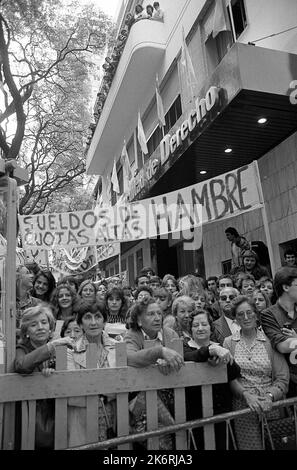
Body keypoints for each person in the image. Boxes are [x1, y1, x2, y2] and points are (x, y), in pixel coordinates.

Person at [223, 296, 289, 450]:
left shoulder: (269, 341)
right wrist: (247, 395)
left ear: (256, 314)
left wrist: (269, 396)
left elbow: (282, 377)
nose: (246, 318)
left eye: (249, 313)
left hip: (270, 406)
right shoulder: (229, 342)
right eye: (240, 314)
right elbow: (231, 378)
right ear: (235, 318)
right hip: (243, 408)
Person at [124, 299, 183, 449]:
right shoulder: (132, 335)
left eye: (159, 313)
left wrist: (169, 361)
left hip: (173, 396)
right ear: (138, 319)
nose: (157, 318)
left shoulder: (170, 333)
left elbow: (181, 357)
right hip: (142, 401)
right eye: (150, 314)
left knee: (175, 439)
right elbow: (129, 357)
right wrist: (160, 352)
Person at [14, 305, 74, 449]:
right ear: (26, 332)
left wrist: (54, 373)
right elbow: (21, 365)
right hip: (31, 414)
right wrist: (50, 347)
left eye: (44, 322)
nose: (40, 327)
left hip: (60, 409)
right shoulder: (21, 349)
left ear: (50, 327)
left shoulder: (61, 347)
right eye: (33, 325)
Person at [184, 310, 240, 449]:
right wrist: (210, 350)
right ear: (190, 329)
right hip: (195, 415)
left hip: (222, 412)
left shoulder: (221, 347)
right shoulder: (185, 348)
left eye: (204, 324)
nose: (200, 328)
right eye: (195, 325)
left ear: (211, 328)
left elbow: (235, 372)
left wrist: (222, 359)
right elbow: (190, 357)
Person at [67, 303, 118, 447]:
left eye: (98, 317)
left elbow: (124, 385)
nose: (94, 322)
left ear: (105, 321)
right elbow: (71, 392)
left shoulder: (118, 347)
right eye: (88, 317)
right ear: (80, 324)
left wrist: (95, 390)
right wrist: (108, 392)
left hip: (114, 415)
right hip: (82, 418)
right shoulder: (70, 351)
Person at [261, 267, 297, 397]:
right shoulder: (268, 315)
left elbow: (290, 344)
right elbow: (282, 346)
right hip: (290, 380)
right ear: (286, 287)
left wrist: (294, 340)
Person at [16, 265, 40, 331]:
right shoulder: (5, 303)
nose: (32, 276)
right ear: (17, 277)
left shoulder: (38, 304)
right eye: (27, 273)